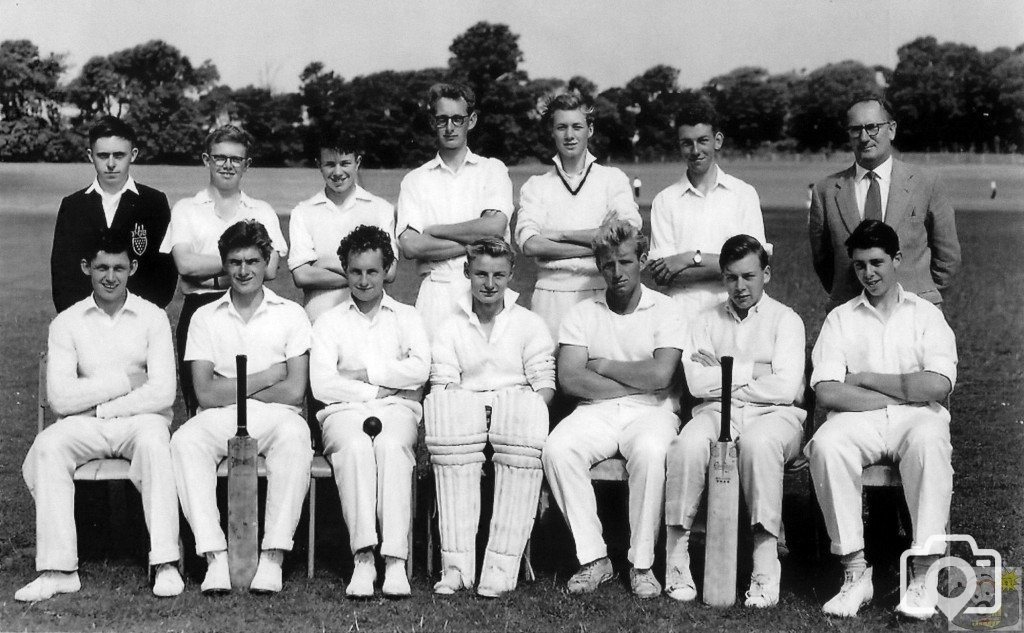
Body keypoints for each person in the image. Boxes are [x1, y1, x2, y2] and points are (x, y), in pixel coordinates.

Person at [19, 229, 182, 602]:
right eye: (102, 267)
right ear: (86, 267)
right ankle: (58, 570)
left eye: (119, 268)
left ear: (132, 268)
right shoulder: (67, 322)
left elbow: (162, 393)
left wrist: (101, 407)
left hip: (140, 421)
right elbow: (60, 398)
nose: (110, 277)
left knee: (155, 443)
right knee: (48, 445)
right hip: (85, 424)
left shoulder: (153, 317)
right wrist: (125, 381)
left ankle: (165, 562)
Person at [804, 220, 956, 619]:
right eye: (859, 265)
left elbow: (938, 386)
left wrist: (865, 378)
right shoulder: (840, 318)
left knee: (930, 439)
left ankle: (923, 573)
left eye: (876, 263)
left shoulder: (926, 314)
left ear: (897, 259)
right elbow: (828, 392)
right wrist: (905, 389)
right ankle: (855, 573)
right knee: (826, 444)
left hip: (916, 420)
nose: (868, 273)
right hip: (860, 420)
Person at [542, 219, 686, 599]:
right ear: (599, 266)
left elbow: (661, 375)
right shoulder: (582, 313)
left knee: (651, 451)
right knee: (557, 449)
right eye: (608, 264)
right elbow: (570, 380)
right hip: (596, 410)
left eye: (625, 262)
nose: (617, 272)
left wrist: (603, 365)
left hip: (653, 411)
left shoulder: (666, 309)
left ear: (642, 259)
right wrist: (636, 379)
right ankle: (594, 558)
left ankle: (642, 564)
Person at [170, 219, 312, 594]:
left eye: (252, 261)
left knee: (296, 437)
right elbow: (204, 394)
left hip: (277, 417)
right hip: (219, 417)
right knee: (185, 441)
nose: (244, 270)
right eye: (235, 262)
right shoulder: (204, 316)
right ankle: (215, 557)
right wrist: (266, 377)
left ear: (266, 263)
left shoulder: (291, 314)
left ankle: (273, 557)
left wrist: (231, 387)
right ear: (224, 264)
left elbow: (294, 391)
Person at [663, 234, 806, 607]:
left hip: (776, 416)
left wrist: (724, 372)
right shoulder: (705, 320)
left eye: (749, 276)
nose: (740, 286)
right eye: (731, 277)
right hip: (715, 411)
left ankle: (764, 564)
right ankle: (677, 557)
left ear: (766, 274)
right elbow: (697, 384)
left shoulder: (786, 320)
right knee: (687, 444)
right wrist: (757, 370)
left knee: (759, 444)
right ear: (723, 277)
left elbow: (786, 389)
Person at [426, 238, 555, 597]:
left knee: (520, 416)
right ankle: (456, 568)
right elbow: (442, 384)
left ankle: (501, 568)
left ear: (511, 274)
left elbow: (544, 387)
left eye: (498, 275)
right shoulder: (450, 326)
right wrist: (473, 410)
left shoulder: (529, 323)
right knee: (450, 416)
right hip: (465, 416)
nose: (489, 283)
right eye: (481, 274)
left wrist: (510, 411)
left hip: (515, 416)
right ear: (467, 272)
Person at [309, 225, 429, 598]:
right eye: (356, 271)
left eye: (372, 271)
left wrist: (365, 372)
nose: (364, 281)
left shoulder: (407, 316)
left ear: (387, 270)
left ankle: (394, 561)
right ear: (345, 271)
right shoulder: (328, 321)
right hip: (342, 411)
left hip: (397, 408)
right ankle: (363, 558)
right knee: (357, 447)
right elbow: (323, 385)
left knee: (391, 447)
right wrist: (380, 387)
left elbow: (420, 369)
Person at [159, 125, 288, 413]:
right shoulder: (186, 208)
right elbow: (185, 264)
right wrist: (247, 258)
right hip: (199, 307)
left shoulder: (262, 210)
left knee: (253, 399)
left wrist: (212, 273)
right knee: (202, 405)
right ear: (207, 159)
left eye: (236, 159)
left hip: (251, 311)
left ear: (247, 164)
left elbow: (270, 269)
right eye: (220, 157)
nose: (227, 165)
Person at [808, 95, 961, 309]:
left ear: (891, 130)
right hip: (853, 313)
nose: (864, 137)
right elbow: (823, 262)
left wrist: (922, 301)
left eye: (872, 127)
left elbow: (948, 257)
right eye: (855, 129)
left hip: (914, 312)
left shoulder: (926, 183)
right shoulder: (825, 191)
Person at [515, 92, 641, 338]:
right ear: (552, 131)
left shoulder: (612, 179)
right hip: (550, 296)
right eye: (561, 127)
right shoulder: (536, 186)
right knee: (549, 362)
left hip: (602, 290)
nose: (570, 135)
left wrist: (559, 235)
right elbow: (530, 245)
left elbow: (628, 233)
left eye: (577, 126)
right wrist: (600, 244)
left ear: (590, 130)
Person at [396, 82, 513, 336]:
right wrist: (480, 242)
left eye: (457, 119)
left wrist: (435, 231)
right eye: (442, 119)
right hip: (435, 294)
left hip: (485, 290)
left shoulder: (492, 170)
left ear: (471, 120)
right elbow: (411, 246)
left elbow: (495, 227)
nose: (450, 127)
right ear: (432, 122)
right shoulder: (415, 180)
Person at [648, 99, 770, 318]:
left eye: (703, 140)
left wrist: (689, 258)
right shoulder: (664, 201)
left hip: (734, 316)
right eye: (687, 143)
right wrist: (730, 269)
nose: (695, 150)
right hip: (681, 318)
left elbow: (753, 266)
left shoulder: (743, 194)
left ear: (717, 140)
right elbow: (663, 276)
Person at [51, 116, 176, 313]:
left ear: (133, 154)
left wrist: (138, 317)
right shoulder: (73, 206)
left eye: (119, 155)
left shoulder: (154, 203)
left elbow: (165, 272)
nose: (111, 164)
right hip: (85, 321)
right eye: (103, 155)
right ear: (91, 155)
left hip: (139, 319)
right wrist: (82, 318)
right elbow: (62, 274)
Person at [289, 131, 397, 323]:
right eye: (330, 164)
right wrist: (366, 273)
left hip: (371, 321)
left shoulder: (381, 209)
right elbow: (302, 275)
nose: (338, 172)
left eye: (345, 163)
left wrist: (325, 266)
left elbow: (389, 272)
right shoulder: (302, 212)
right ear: (319, 165)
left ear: (358, 163)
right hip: (319, 319)